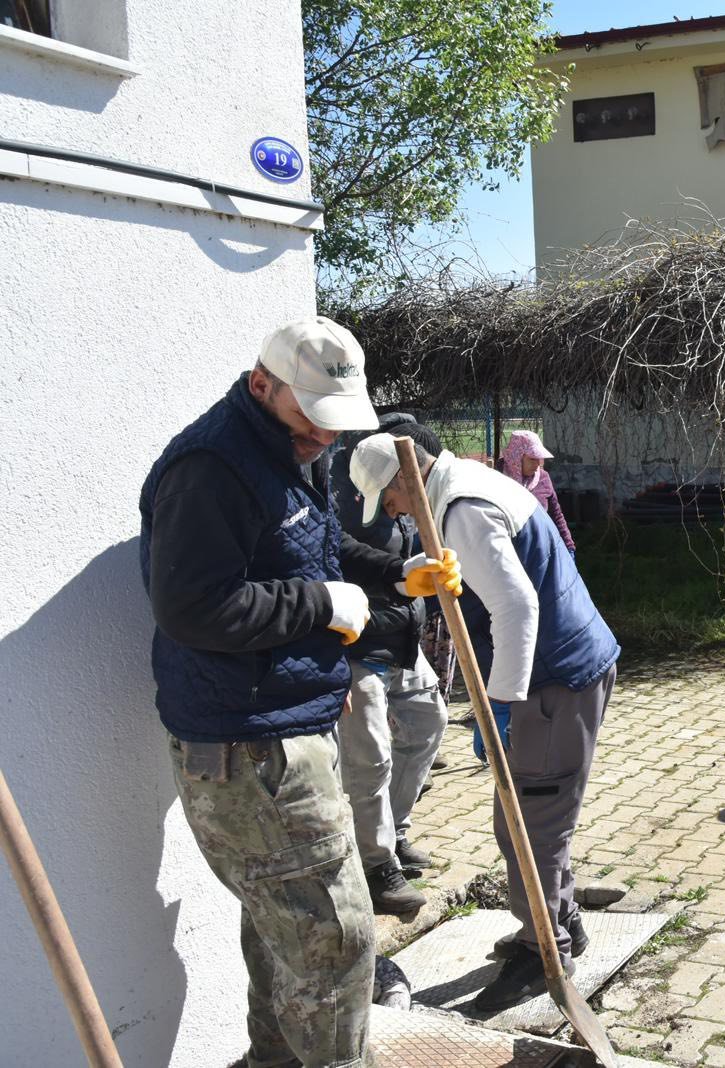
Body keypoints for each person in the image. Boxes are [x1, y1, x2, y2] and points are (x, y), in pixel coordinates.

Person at [139, 316, 457, 1067]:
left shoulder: (289, 447)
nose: (323, 440)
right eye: (309, 420)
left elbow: (307, 544)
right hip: (247, 744)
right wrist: (323, 605)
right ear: (262, 386)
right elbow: (194, 608)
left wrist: (386, 573)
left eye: (334, 424)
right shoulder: (211, 468)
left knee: (288, 934)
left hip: (282, 725)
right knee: (337, 938)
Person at [349, 430, 620, 1013]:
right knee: (529, 817)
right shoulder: (466, 486)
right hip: (557, 676)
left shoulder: (462, 509)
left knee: (529, 824)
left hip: (551, 684)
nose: (392, 512)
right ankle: (559, 920)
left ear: (404, 479)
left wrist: (499, 704)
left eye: (389, 501)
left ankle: (543, 953)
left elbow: (516, 605)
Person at [330, 415, 457, 915]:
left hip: (404, 640)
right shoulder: (344, 495)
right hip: (358, 646)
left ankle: (395, 831)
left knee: (430, 722)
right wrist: (397, 578)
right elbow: (342, 556)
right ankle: (375, 864)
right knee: (370, 760)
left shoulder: (410, 494)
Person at [501, 429, 576, 554]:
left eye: (539, 459)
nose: (537, 465)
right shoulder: (498, 479)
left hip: (539, 551)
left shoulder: (543, 478)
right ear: (516, 456)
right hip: (507, 553)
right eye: (532, 459)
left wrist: (569, 547)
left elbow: (556, 514)